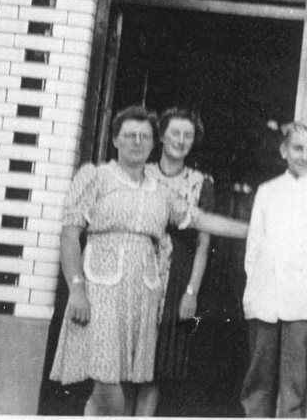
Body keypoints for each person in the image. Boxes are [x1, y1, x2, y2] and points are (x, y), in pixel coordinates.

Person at [49, 105, 249, 416]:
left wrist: (255, 229)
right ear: (115, 139)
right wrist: (76, 289)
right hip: (100, 292)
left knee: (118, 383)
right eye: (129, 135)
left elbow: (201, 220)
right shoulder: (96, 177)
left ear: (153, 143)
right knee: (106, 381)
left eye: (144, 137)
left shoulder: (159, 191)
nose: (137, 142)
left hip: (142, 295)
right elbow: (69, 234)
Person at [240, 121, 307, 418]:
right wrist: (255, 295)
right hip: (265, 304)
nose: (304, 155)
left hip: (305, 308)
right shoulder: (267, 192)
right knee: (257, 386)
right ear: (284, 151)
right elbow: (253, 251)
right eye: (298, 148)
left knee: (294, 391)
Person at [136, 107, 215, 416]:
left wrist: (191, 292)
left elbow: (203, 244)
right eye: (175, 133)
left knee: (156, 367)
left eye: (188, 135)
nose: (181, 141)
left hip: (175, 280)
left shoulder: (201, 183)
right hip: (136, 274)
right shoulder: (140, 173)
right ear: (161, 136)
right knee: (126, 361)